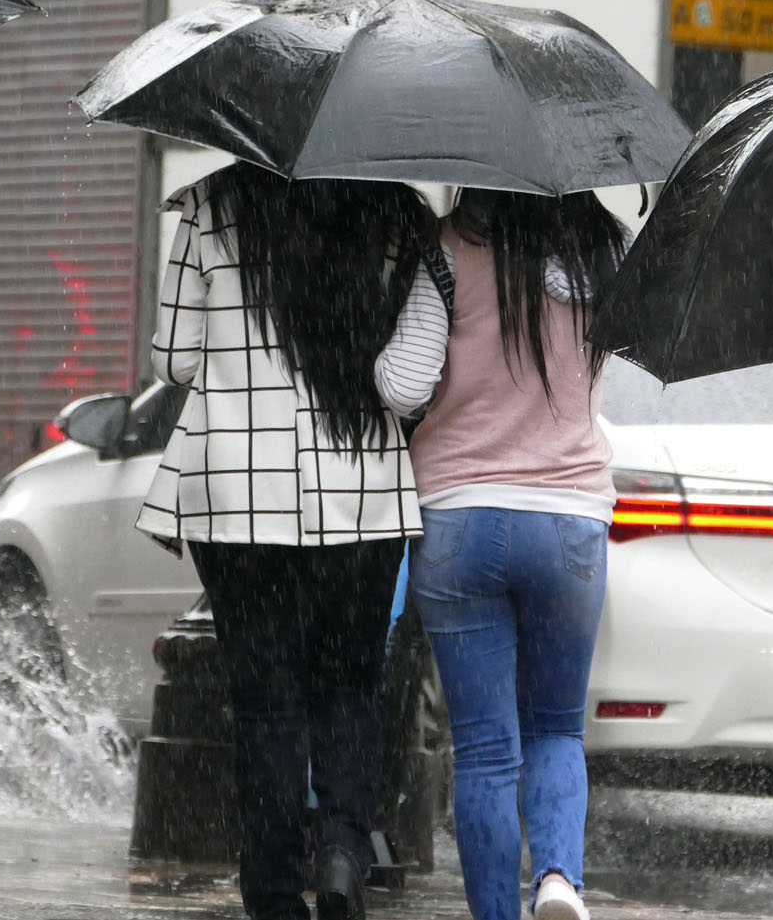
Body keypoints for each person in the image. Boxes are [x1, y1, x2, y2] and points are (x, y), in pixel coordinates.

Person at [137, 161, 435, 920]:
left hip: (238, 491)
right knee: (350, 689)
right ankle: (341, 851)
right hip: (361, 490)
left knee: (266, 703)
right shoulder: (398, 210)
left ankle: (272, 890)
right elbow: (412, 371)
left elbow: (172, 359)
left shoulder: (212, 206)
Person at [375, 188, 629, 920]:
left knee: (485, 748)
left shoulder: (450, 248)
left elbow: (404, 384)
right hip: (569, 518)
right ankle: (557, 877)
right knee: (555, 725)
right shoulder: (600, 250)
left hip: (459, 516)